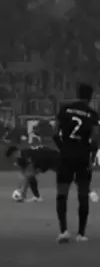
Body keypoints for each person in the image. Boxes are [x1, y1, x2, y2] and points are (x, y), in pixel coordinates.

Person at [54, 83, 99, 243]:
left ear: (77, 94)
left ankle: (63, 231)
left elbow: (55, 133)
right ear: (90, 96)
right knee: (83, 193)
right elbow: (95, 139)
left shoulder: (65, 109)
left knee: (62, 193)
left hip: (66, 155)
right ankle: (81, 234)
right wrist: (90, 153)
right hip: (82, 156)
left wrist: (64, 148)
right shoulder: (92, 114)